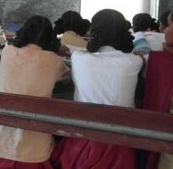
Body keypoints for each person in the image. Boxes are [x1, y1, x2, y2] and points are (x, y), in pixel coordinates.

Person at [53, 9, 143, 169]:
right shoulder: (134, 62)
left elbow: (82, 52)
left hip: (81, 145)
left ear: (93, 31)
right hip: (120, 148)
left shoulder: (79, 58)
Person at [0, 15, 69, 169]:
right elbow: (66, 76)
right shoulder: (55, 61)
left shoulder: (6, 52)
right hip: (33, 153)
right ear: (51, 37)